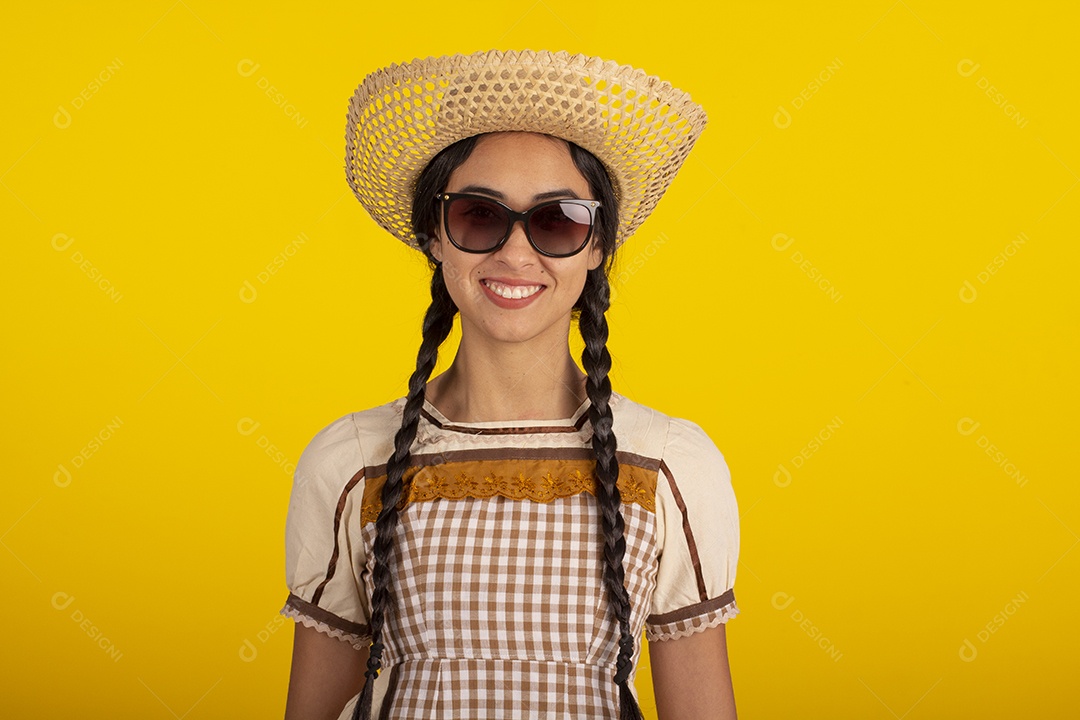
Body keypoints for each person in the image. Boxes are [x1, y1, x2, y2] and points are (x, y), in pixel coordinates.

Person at [280, 49, 740, 720]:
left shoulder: (670, 466)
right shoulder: (349, 462)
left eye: (557, 220)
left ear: (597, 245)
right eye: (479, 215)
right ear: (435, 234)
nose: (515, 253)